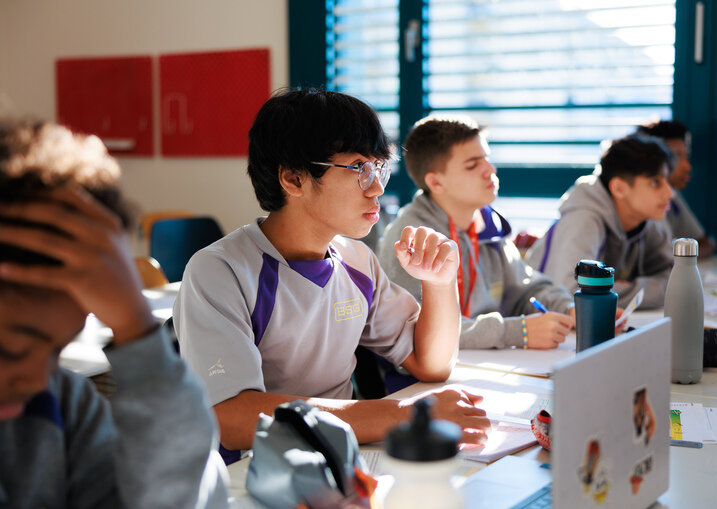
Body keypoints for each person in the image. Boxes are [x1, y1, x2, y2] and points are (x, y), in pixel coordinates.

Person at [173, 89, 490, 464]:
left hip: (338, 459)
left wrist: (439, 282)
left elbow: (431, 362)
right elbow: (233, 417)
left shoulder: (357, 260)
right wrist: (405, 416)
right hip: (251, 472)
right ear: (293, 179)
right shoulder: (221, 271)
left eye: (379, 167)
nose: (377, 188)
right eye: (359, 169)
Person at [0, 120, 228, 508]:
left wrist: (136, 326)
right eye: (13, 350)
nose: (39, 378)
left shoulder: (62, 405)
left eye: (57, 351)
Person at [378, 115, 575, 351]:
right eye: (473, 165)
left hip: (479, 364)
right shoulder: (410, 239)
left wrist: (570, 308)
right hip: (417, 380)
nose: (490, 170)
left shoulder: (488, 224)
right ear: (436, 182)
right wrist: (515, 332)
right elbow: (418, 333)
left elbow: (526, 290)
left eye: (487, 159)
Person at [526, 135, 675, 309]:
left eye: (667, 181)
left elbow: (674, 278)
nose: (670, 193)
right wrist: (645, 289)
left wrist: (614, 289)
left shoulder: (643, 222)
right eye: (655, 182)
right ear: (619, 188)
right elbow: (573, 295)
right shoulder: (583, 220)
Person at [637, 120, 717, 257]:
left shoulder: (671, 193)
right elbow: (664, 258)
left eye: (686, 156)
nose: (687, 166)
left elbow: (705, 243)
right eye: (675, 156)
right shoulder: (639, 201)